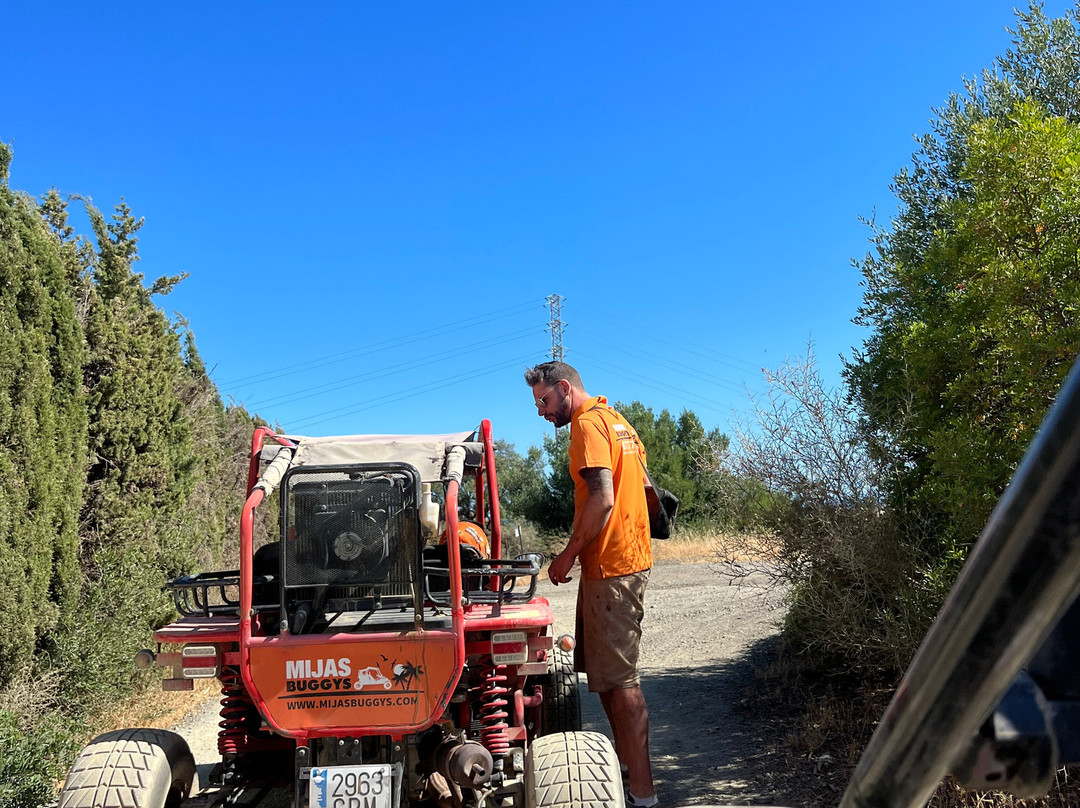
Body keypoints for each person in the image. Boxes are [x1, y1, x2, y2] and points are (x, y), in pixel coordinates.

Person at [524, 360, 657, 808]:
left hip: (614, 567)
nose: (542, 411)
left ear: (565, 388)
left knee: (621, 684)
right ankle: (627, 777)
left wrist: (567, 554)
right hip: (621, 562)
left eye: (544, 400)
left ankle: (643, 795)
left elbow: (602, 497)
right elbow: (647, 489)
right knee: (604, 678)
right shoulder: (616, 420)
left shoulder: (586, 425)